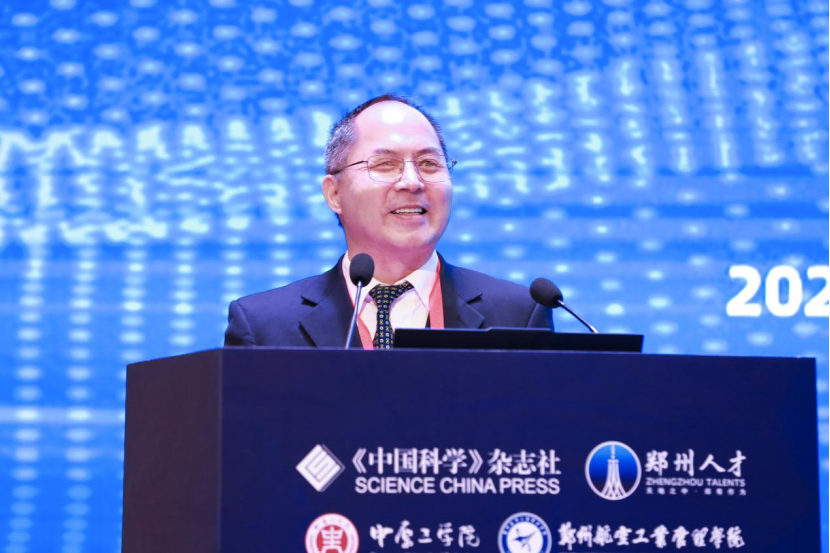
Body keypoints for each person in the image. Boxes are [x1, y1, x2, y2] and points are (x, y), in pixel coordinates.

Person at [224, 94, 553, 348]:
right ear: (334, 194)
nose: (412, 181)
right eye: (384, 165)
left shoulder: (518, 314)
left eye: (429, 163)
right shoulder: (264, 326)